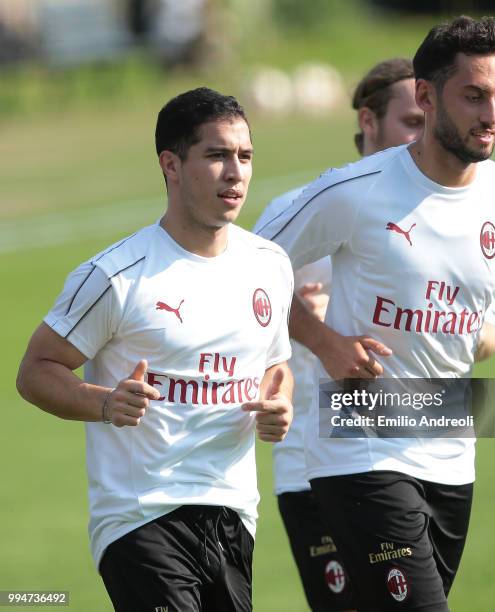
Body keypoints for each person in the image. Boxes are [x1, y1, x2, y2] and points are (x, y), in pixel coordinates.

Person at [257, 16, 495, 612]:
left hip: (449, 446)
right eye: (473, 96)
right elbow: (244, 271)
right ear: (426, 94)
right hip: (357, 444)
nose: (490, 114)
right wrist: (322, 340)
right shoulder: (352, 190)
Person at [16, 87, 294, 612]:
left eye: (245, 155)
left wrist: (279, 403)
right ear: (171, 164)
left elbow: (276, 364)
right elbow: (35, 370)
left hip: (233, 512)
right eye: (216, 156)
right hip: (141, 518)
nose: (235, 172)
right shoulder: (115, 275)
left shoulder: (269, 264)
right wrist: (103, 403)